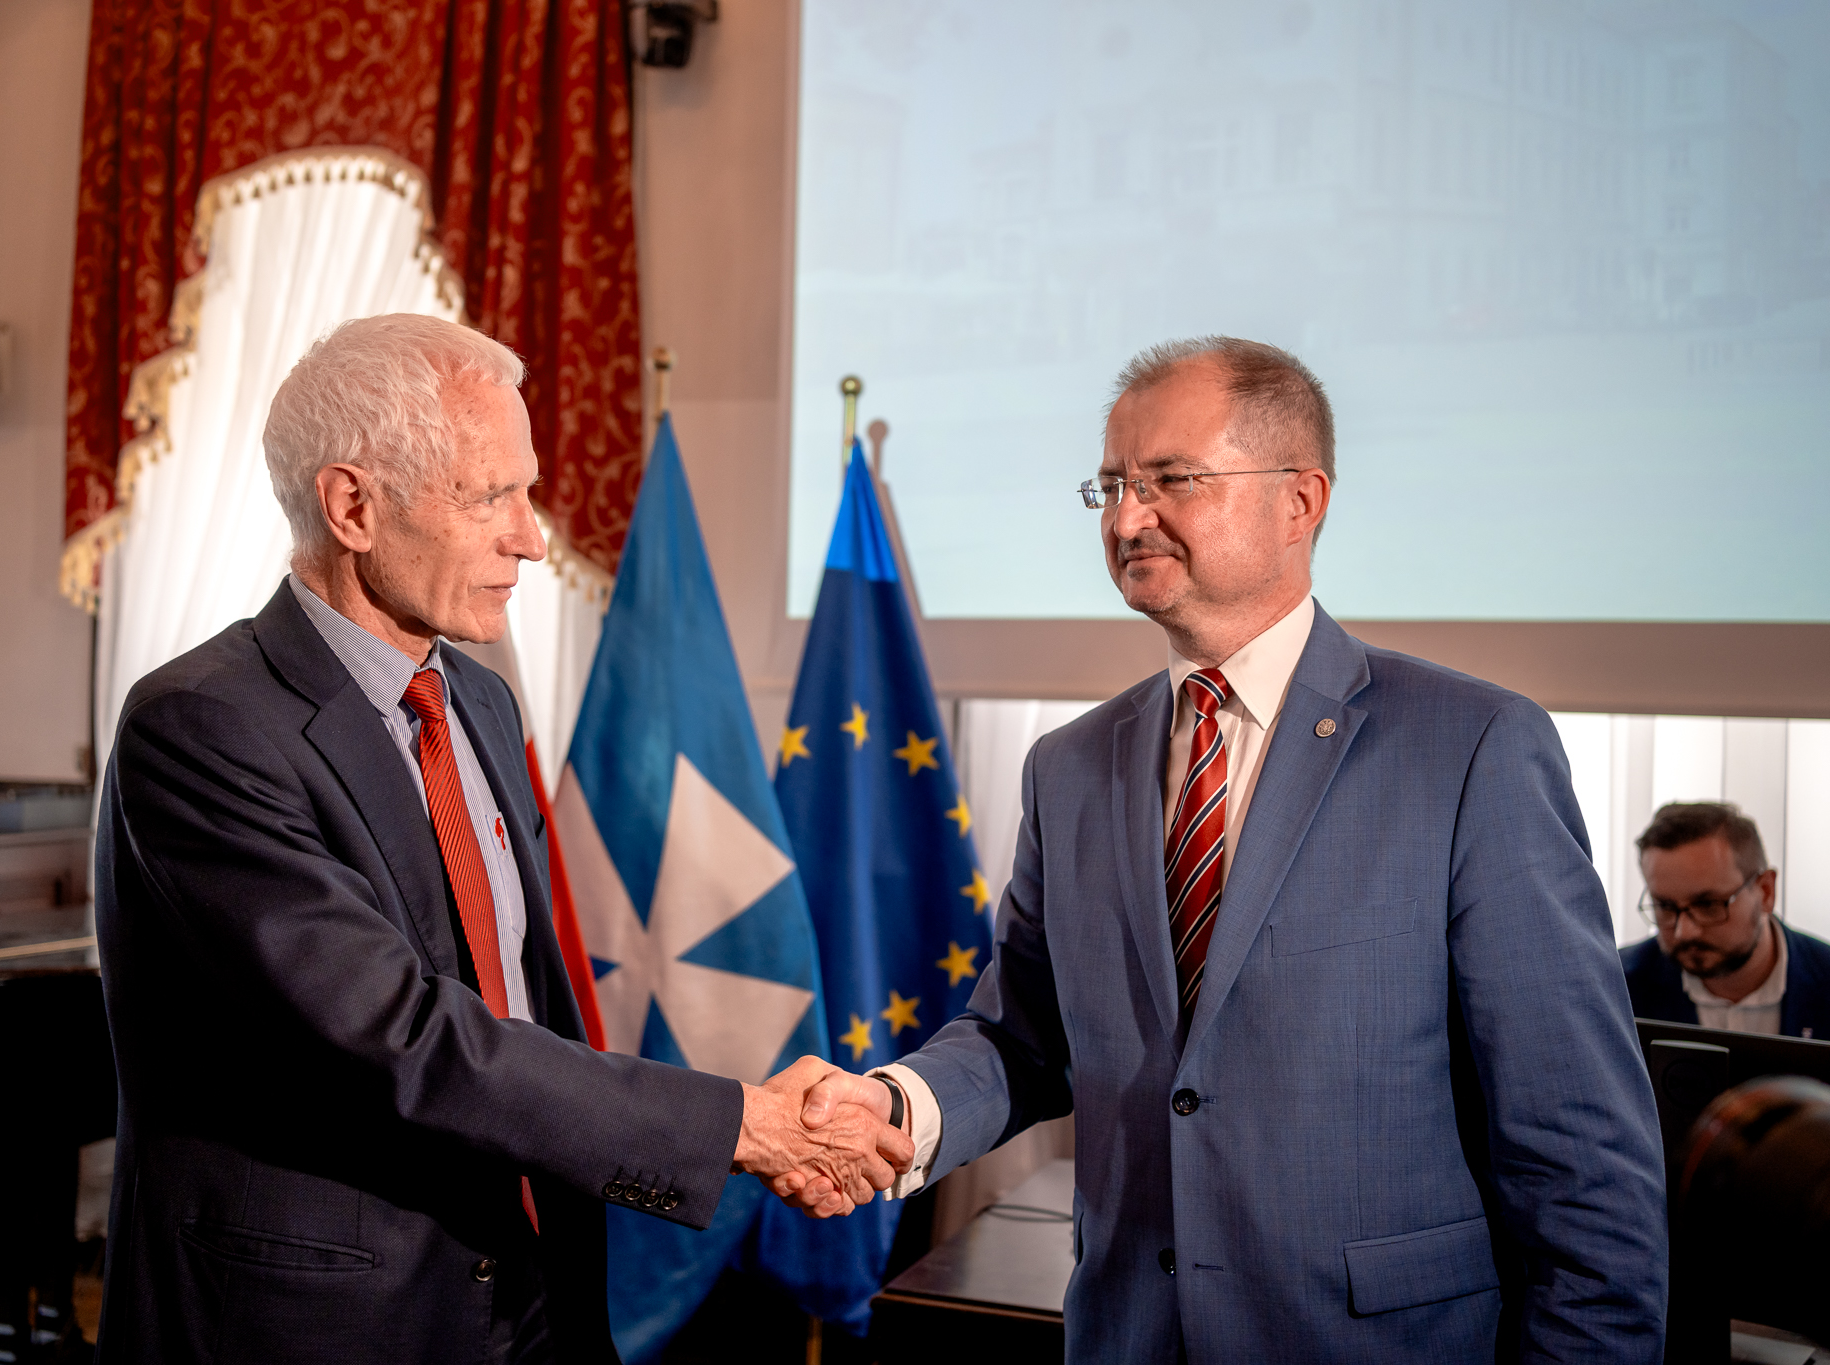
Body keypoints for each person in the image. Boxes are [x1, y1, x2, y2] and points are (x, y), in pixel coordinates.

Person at [784, 337, 1669, 1362]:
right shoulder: (1067, 767)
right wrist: (898, 1104)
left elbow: (1576, 1150)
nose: (1126, 519)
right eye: (1112, 485)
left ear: (1300, 501)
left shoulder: (1473, 747)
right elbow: (1022, 1035)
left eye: (1171, 480)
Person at [93, 314, 909, 1365]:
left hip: (527, 1286)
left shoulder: (478, 702)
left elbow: (523, 1005)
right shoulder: (202, 727)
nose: (531, 537)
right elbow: (401, 1038)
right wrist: (741, 1126)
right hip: (320, 1322)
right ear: (352, 507)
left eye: (527, 493)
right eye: (490, 497)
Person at [1620, 801, 1830, 1039]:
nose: (1684, 932)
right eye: (1665, 907)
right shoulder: (1618, 988)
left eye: (1708, 905)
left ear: (1766, 891)